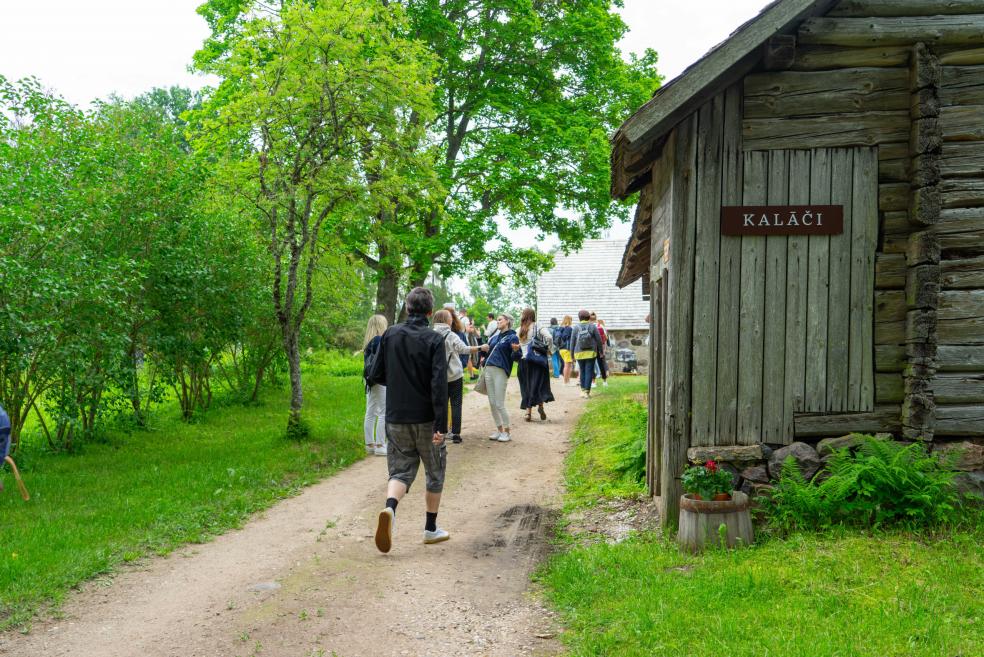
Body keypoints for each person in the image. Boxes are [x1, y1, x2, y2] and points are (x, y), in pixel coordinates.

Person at [366, 287, 450, 553]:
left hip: (396, 416)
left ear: (406, 307)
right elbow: (439, 384)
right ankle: (430, 528)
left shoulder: (390, 334)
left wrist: (400, 383)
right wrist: (441, 425)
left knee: (401, 470)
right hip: (426, 417)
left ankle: (390, 508)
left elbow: (375, 374)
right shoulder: (435, 340)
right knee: (434, 471)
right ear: (429, 311)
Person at [432, 309, 485, 444]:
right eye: (450, 317)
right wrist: (480, 347)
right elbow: (464, 349)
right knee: (456, 404)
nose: (452, 319)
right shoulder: (452, 336)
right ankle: (455, 434)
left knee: (441, 405)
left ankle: (440, 433)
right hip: (455, 375)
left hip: (438, 377)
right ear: (446, 320)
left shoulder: (430, 335)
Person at [482, 313, 519, 442]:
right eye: (497, 320)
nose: (497, 322)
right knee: (492, 403)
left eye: (500, 320)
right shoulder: (494, 338)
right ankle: (499, 430)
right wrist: (483, 356)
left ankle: (507, 432)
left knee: (499, 403)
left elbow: (517, 357)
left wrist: (515, 351)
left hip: (501, 371)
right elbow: (486, 353)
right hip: (488, 370)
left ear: (507, 321)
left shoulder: (512, 337)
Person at [516, 308, 555, 421]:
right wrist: (549, 350)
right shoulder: (537, 326)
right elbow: (549, 337)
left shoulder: (518, 330)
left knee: (527, 386)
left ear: (523, 316)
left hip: (523, 361)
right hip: (537, 361)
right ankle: (541, 406)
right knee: (538, 384)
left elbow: (517, 345)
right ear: (533, 316)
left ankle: (528, 413)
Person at [362, 314, 389, 456]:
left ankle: (370, 444)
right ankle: (380, 445)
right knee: (384, 411)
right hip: (380, 379)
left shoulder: (368, 342)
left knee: (371, 411)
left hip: (369, 380)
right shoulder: (379, 340)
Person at [568, 309, 602, 398]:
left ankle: (582, 391)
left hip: (579, 353)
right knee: (589, 371)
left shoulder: (575, 327)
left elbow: (572, 342)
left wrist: (572, 355)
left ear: (579, 318)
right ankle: (587, 392)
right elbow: (599, 340)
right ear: (588, 317)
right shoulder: (592, 326)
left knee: (582, 371)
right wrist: (601, 352)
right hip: (591, 353)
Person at [592, 314, 610, 388]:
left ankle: (593, 383)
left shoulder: (589, 326)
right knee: (601, 365)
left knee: (592, 366)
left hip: (591, 349)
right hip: (600, 348)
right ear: (596, 318)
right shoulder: (601, 326)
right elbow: (606, 337)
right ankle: (604, 381)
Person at [557, 315, 574, 386]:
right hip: (567, 349)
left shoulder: (561, 328)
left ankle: (567, 381)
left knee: (566, 365)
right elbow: (565, 337)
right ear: (569, 320)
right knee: (568, 366)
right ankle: (566, 382)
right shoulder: (568, 328)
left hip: (561, 349)